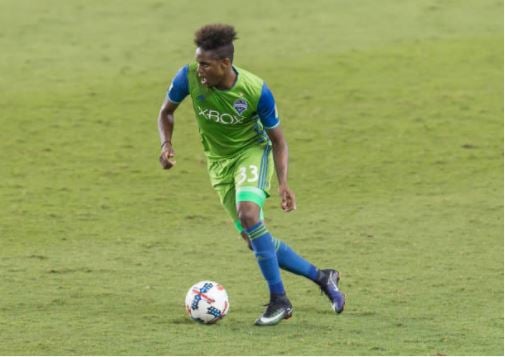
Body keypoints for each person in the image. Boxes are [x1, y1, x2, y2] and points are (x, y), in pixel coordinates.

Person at [157, 24, 345, 326]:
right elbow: (166, 112)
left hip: (252, 153)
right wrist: (166, 144)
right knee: (252, 238)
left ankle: (280, 300)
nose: (199, 69)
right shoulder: (188, 77)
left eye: (205, 64)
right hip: (219, 164)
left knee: (249, 215)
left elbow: (279, 140)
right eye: (198, 62)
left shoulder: (256, 90)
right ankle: (323, 277)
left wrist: (284, 183)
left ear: (225, 64)